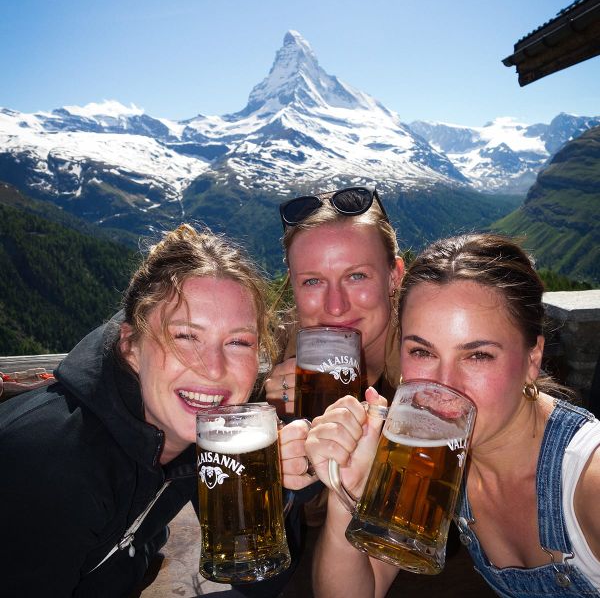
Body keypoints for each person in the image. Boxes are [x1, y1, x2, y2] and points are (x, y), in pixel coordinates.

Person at [0, 224, 311, 597]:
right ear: (130, 345)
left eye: (239, 342)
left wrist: (270, 491)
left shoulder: (199, 435)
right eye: (185, 336)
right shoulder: (48, 462)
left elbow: (256, 579)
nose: (213, 368)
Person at [305, 233, 600, 597]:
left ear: (532, 358)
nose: (444, 388)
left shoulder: (589, 481)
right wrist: (346, 497)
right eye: (422, 352)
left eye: (478, 355)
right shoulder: (428, 456)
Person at [265, 185, 404, 416]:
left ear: (394, 276)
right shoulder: (276, 349)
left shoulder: (427, 365)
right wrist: (277, 418)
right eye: (312, 281)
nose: (336, 306)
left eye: (356, 276)